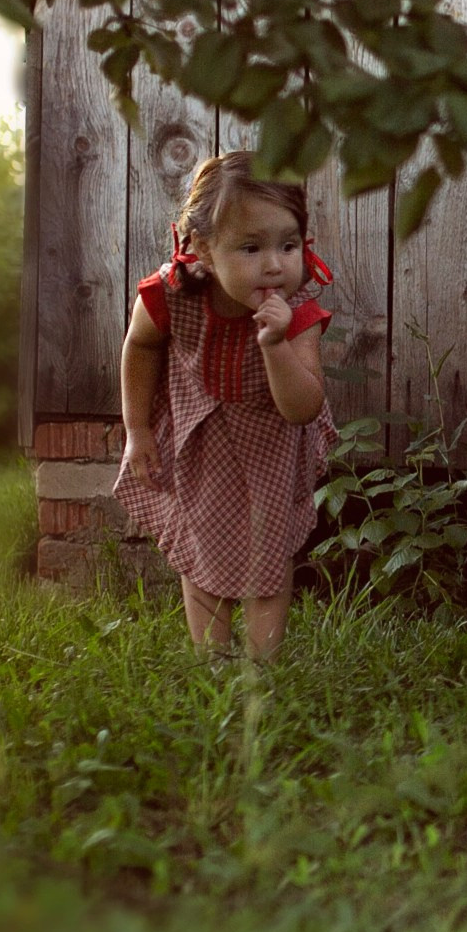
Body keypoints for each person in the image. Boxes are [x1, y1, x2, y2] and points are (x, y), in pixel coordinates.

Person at [116, 152, 336, 657]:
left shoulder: (296, 313)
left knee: (268, 559)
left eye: (288, 244)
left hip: (271, 450)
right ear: (203, 250)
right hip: (202, 442)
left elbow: (302, 408)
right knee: (201, 553)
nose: (275, 264)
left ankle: (262, 669)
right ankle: (210, 666)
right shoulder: (171, 294)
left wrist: (276, 346)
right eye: (251, 247)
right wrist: (137, 430)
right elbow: (141, 346)